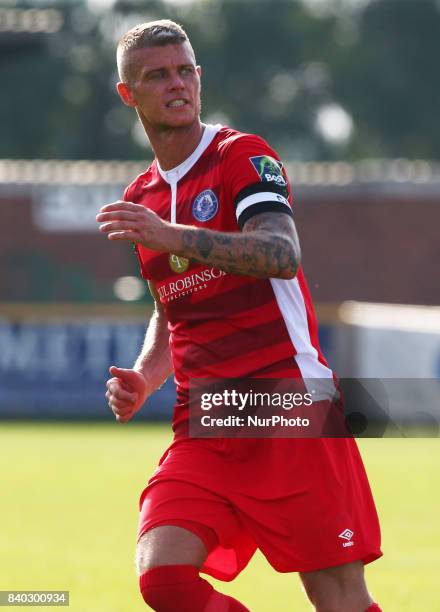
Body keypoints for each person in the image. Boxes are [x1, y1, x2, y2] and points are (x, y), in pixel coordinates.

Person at [96, 20, 382, 612]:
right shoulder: (142, 197)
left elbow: (282, 253)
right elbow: (168, 306)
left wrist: (171, 233)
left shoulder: (241, 157)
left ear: (199, 78)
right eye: (158, 75)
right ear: (129, 95)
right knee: (163, 577)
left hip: (286, 403)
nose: (177, 84)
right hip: (207, 419)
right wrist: (148, 377)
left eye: (185, 71)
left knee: (339, 599)